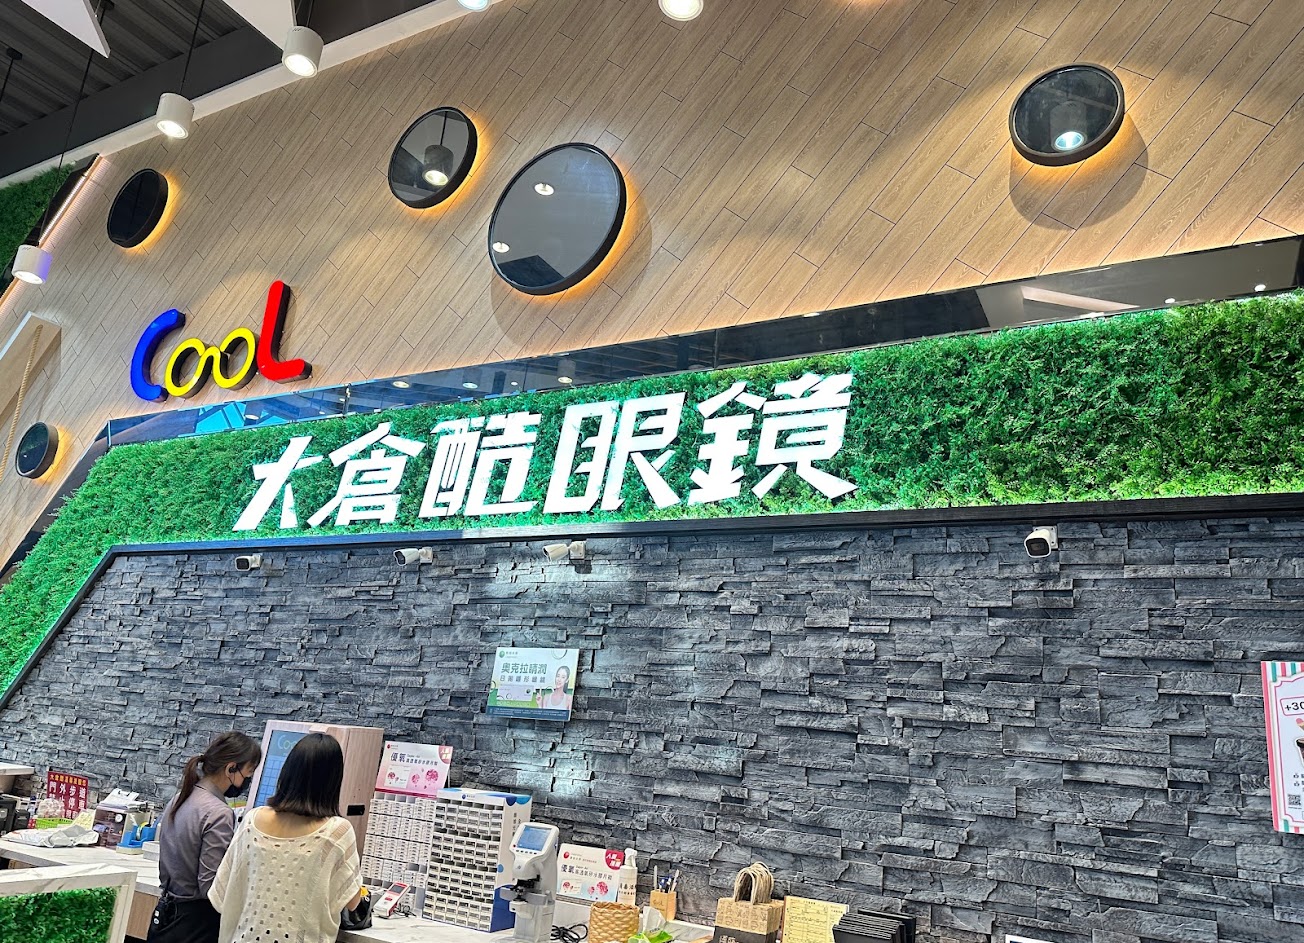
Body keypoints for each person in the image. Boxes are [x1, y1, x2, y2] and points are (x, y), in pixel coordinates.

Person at [209, 732, 364, 943]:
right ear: (333, 782)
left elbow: (222, 892)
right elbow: (352, 902)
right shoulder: (337, 831)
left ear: (287, 772)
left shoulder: (252, 820)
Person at [149, 731, 263, 943]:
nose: (248, 780)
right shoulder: (219, 813)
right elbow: (210, 887)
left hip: (166, 915)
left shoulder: (180, 798)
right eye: (248, 773)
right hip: (195, 924)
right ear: (231, 768)